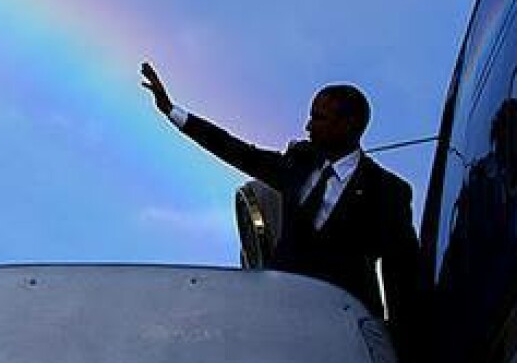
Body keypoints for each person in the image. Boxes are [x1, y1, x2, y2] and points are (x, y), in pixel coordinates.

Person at [139, 61, 422, 336]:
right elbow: (238, 152)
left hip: (343, 329)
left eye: (318, 118)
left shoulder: (388, 192)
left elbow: (404, 282)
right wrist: (173, 112)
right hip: (282, 317)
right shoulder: (299, 163)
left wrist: (398, 348)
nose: (308, 126)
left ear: (348, 124)